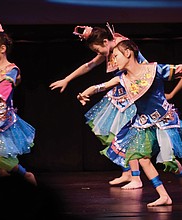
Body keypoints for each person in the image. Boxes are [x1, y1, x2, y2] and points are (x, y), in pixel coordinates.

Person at [77, 39, 182, 206]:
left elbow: (179, 71)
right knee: (141, 157)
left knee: (169, 162)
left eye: (116, 56)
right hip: (143, 122)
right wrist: (84, 93)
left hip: (164, 121)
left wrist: (172, 94)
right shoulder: (122, 79)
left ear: (128, 53)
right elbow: (100, 87)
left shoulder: (154, 70)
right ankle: (164, 196)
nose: (113, 60)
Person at [50, 23, 148, 189]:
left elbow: (141, 70)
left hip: (133, 92)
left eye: (97, 51)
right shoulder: (111, 46)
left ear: (104, 42)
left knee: (128, 135)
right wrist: (67, 79)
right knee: (116, 132)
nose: (97, 55)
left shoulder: (122, 48)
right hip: (121, 92)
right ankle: (127, 172)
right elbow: (89, 65)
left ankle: (136, 178)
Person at [0, 19, 37, 185]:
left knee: (0, 159)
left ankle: (25, 175)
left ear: (2, 49)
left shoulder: (11, 69)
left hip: (1, 120)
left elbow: (3, 90)